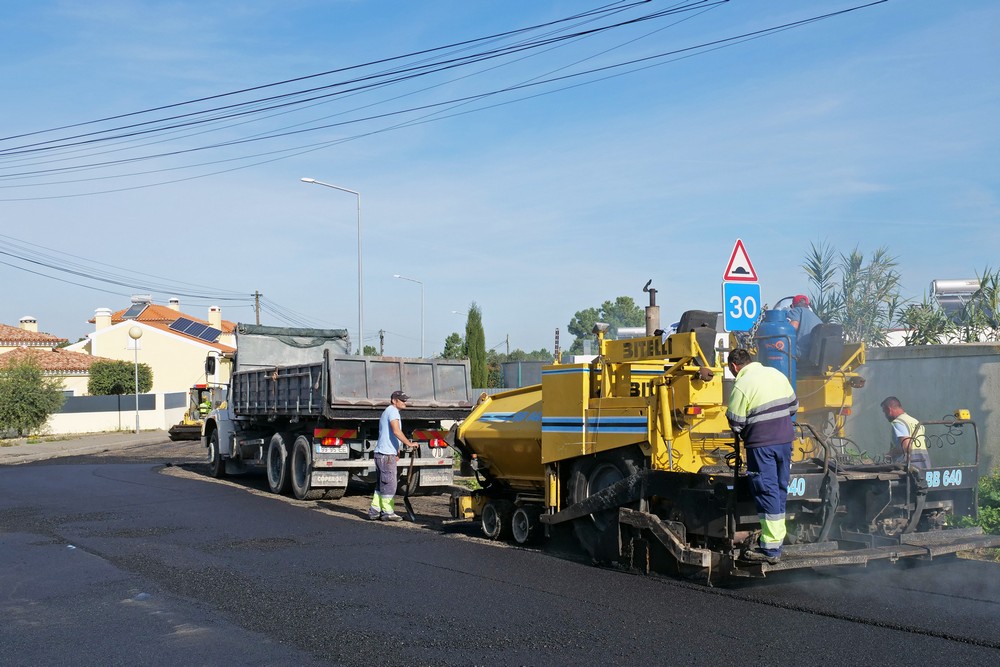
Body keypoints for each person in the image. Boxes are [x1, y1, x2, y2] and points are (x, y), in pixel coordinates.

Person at [726, 348, 799, 564]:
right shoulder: (776, 374)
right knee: (779, 489)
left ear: (734, 366)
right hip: (785, 442)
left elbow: (736, 422)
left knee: (766, 491)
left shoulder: (742, 384)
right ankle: (777, 541)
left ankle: (771, 548)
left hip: (761, 446)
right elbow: (794, 406)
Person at [368, 390, 417, 522]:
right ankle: (388, 512)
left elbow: (389, 434)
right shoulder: (393, 411)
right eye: (402, 400)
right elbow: (396, 431)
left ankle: (374, 511)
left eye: (405, 400)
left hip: (382, 454)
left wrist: (398, 449)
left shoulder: (389, 411)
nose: (404, 402)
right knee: (389, 485)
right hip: (386, 455)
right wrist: (409, 443)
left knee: (381, 485)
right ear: (394, 400)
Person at [880, 396, 931, 469]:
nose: (885, 415)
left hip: (910, 465)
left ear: (889, 409)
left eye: (885, 412)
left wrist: (889, 454)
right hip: (924, 462)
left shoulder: (898, 422)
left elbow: (906, 446)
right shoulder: (915, 421)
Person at [786, 295, 823, 361]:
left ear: (793, 305)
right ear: (807, 305)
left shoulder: (796, 311)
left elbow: (791, 329)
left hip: (801, 353)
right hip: (814, 355)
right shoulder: (816, 317)